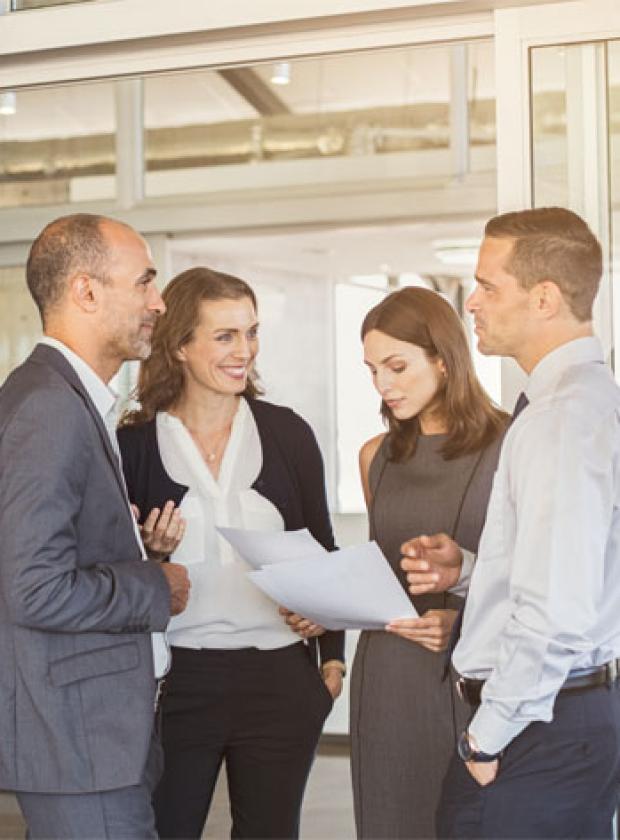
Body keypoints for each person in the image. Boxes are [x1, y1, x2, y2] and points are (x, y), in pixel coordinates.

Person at [402, 207, 620, 839]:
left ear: (544, 298)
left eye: (489, 286)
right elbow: (578, 569)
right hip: (565, 717)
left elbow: (555, 612)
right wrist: (473, 571)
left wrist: (484, 738)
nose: (473, 302)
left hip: (535, 729)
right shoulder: (582, 402)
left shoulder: (561, 419)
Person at [117, 266, 346, 840]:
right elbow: (109, 570)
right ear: (181, 346)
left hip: (279, 680)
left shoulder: (287, 434)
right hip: (175, 685)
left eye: (251, 332)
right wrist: (147, 554)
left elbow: (323, 551)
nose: (244, 350)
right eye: (225, 336)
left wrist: (332, 660)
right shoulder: (134, 446)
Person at [0, 213, 191, 839]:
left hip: (93, 738)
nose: (158, 304)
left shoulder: (63, 397)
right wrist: (157, 586)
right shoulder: (50, 408)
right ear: (86, 291)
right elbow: (35, 588)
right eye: (144, 284)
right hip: (78, 744)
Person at [351, 286, 507, 839]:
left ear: (443, 359)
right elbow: (381, 573)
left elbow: (537, 578)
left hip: (476, 678)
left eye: (396, 366)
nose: (383, 385)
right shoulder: (375, 456)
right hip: (387, 677)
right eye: (372, 371)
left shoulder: (509, 445)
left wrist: (462, 620)